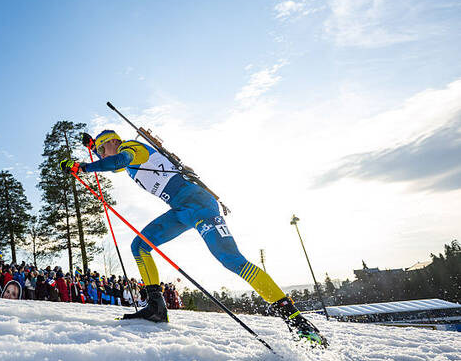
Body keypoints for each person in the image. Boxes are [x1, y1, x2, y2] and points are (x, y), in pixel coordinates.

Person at [60, 129, 327, 346]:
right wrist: (92, 144)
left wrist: (83, 166)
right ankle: (156, 307)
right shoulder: (120, 156)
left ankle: (295, 319)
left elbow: (117, 161)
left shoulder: (133, 149)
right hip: (180, 210)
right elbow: (112, 162)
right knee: (140, 246)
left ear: (114, 142)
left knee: (231, 260)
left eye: (100, 149)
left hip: (199, 204)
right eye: (96, 151)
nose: (98, 153)